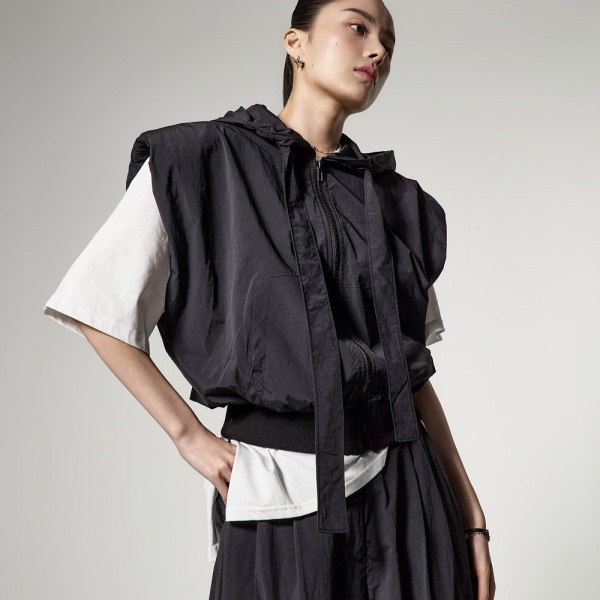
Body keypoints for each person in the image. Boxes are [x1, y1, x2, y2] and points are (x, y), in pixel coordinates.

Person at [43, 0, 496, 598]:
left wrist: (471, 517)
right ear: (295, 43)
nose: (378, 49)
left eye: (388, 40)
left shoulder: (398, 204)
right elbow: (97, 305)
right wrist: (189, 437)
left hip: (409, 495)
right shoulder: (201, 161)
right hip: (278, 492)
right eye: (357, 27)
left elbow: (409, 376)